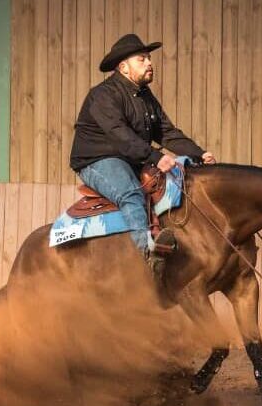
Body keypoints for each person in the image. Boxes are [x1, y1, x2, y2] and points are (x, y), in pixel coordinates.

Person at [69, 33, 217, 281]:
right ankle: (145, 258)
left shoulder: (145, 96)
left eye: (149, 58)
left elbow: (166, 132)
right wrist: (155, 156)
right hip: (97, 159)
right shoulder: (103, 95)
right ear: (123, 67)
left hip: (130, 157)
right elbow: (120, 135)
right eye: (142, 59)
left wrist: (198, 153)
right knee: (131, 193)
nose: (149, 63)